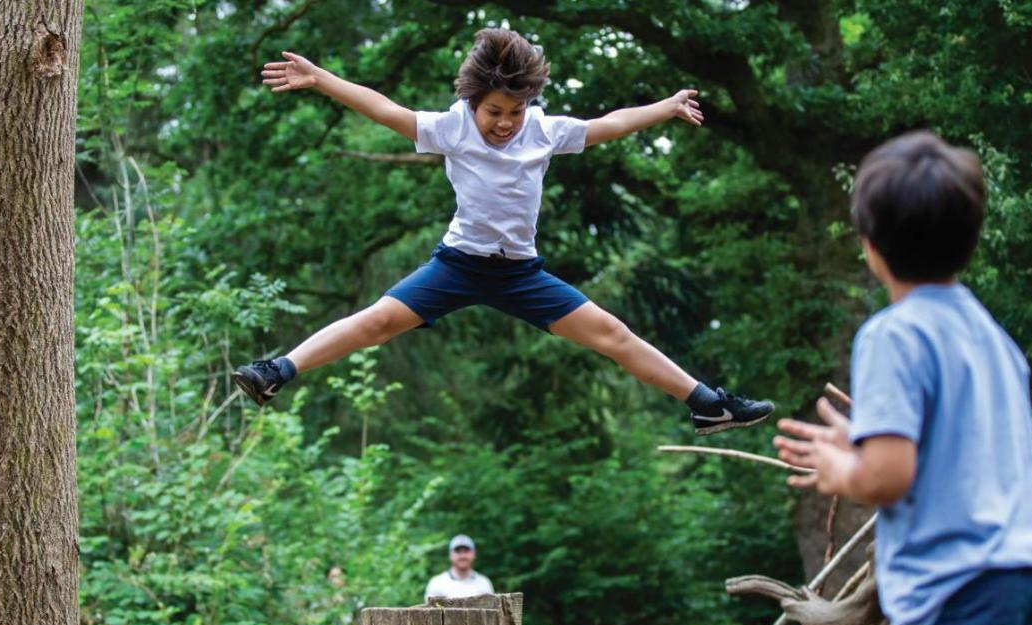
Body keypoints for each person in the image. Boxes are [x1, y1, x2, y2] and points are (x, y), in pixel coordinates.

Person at [231, 28, 773, 435]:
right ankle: (277, 369)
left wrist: (667, 107)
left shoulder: (543, 130)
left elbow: (609, 123)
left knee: (613, 335)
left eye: (515, 111)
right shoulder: (451, 127)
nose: (505, 123)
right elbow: (383, 107)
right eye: (494, 111)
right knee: (377, 321)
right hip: (458, 266)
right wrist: (320, 79)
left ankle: (707, 403)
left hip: (520, 274)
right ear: (473, 102)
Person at [774, 131, 1032, 625]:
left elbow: (888, 476)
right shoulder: (992, 336)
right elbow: (962, 454)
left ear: (869, 245)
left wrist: (844, 471)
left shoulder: (893, 334)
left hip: (953, 593)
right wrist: (868, 441)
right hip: (1025, 579)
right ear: (971, 236)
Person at [425, 534, 494, 602]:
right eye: (458, 551)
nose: (462, 556)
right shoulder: (436, 583)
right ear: (450, 555)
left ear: (474, 553)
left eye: (466, 551)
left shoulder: (484, 583)